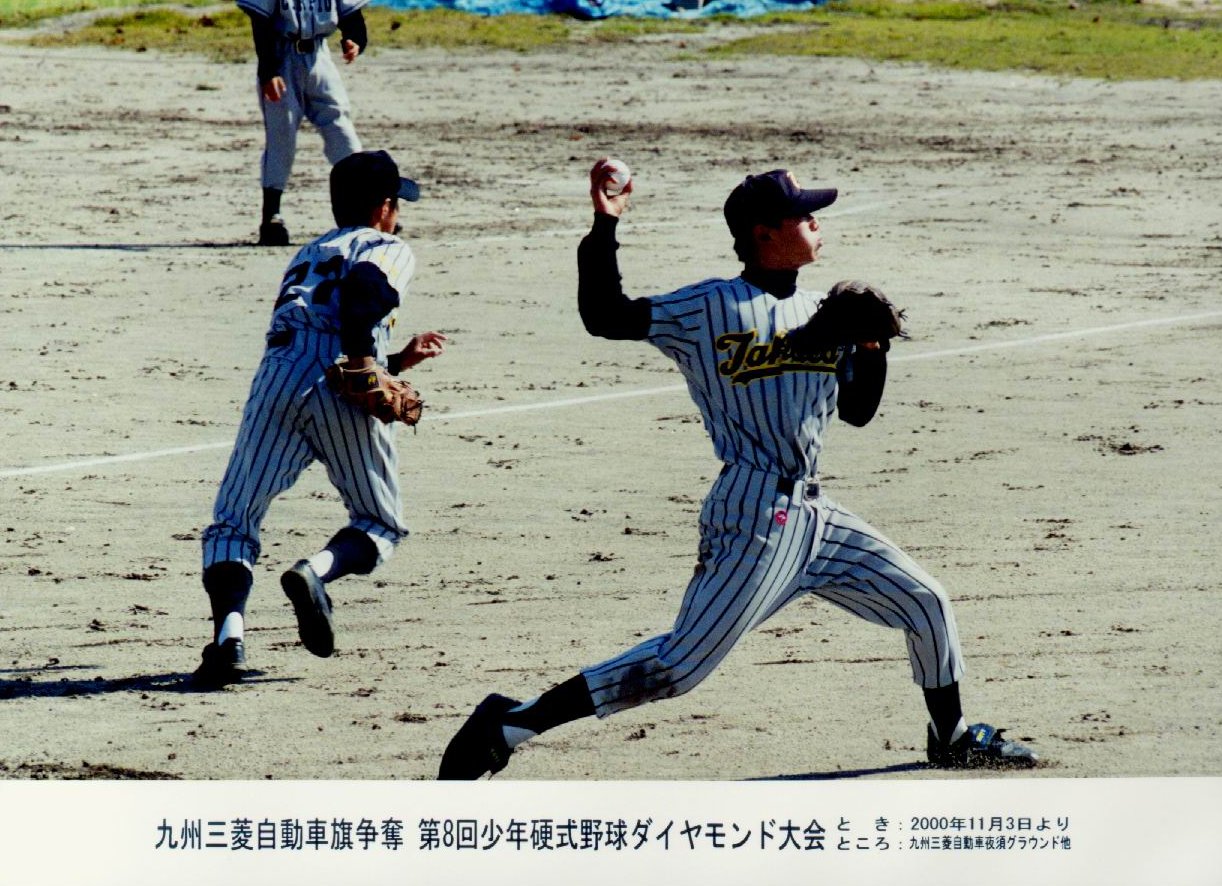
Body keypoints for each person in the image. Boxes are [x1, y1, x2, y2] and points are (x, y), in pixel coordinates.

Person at [437, 160, 1038, 776]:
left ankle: (951, 736)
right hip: (754, 515)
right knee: (677, 667)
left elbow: (857, 412)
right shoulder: (709, 307)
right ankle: (508, 725)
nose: (816, 222)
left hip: (818, 517)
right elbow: (605, 315)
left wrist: (871, 348)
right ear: (763, 233)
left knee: (925, 602)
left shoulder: (824, 312)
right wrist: (604, 226)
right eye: (803, 215)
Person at [194, 149, 447, 688]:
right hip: (339, 381)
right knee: (379, 523)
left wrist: (395, 362)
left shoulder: (308, 253)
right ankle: (316, 570)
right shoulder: (387, 246)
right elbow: (361, 295)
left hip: (277, 375)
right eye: (397, 203)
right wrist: (361, 363)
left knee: (233, 521)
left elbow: (319, 321)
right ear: (383, 207)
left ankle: (228, 642)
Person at [237, 0, 373, 246]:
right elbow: (261, 23)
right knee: (282, 135)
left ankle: (367, 208)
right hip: (282, 58)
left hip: (320, 57)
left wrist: (355, 39)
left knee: (341, 129)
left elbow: (351, 15)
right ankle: (272, 216)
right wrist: (269, 70)